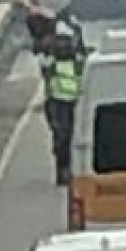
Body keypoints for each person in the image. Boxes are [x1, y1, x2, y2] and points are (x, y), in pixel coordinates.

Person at [42, 18, 85, 185]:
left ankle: (74, 169)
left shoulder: (79, 61)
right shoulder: (51, 61)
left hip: (77, 103)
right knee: (62, 137)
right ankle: (63, 169)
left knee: (79, 138)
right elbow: (45, 69)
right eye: (60, 41)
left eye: (66, 41)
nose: (63, 45)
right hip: (57, 104)